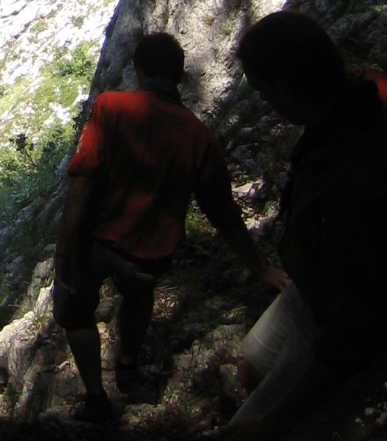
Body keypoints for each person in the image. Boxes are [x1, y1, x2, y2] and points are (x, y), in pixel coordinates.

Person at [216, 11, 387, 441]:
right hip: (314, 285)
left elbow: (351, 341)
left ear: (289, 86)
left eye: (263, 90)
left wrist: (275, 423)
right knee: (251, 363)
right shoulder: (351, 100)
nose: (263, 102)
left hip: (347, 315)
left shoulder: (354, 184)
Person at [54, 31, 283, 421]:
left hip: (95, 241)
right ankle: (128, 365)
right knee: (138, 296)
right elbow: (223, 213)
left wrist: (64, 248)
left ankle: (95, 397)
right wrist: (260, 268)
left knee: (76, 314)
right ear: (178, 76)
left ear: (139, 70)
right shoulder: (199, 136)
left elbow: (82, 181)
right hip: (150, 252)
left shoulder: (111, 107)